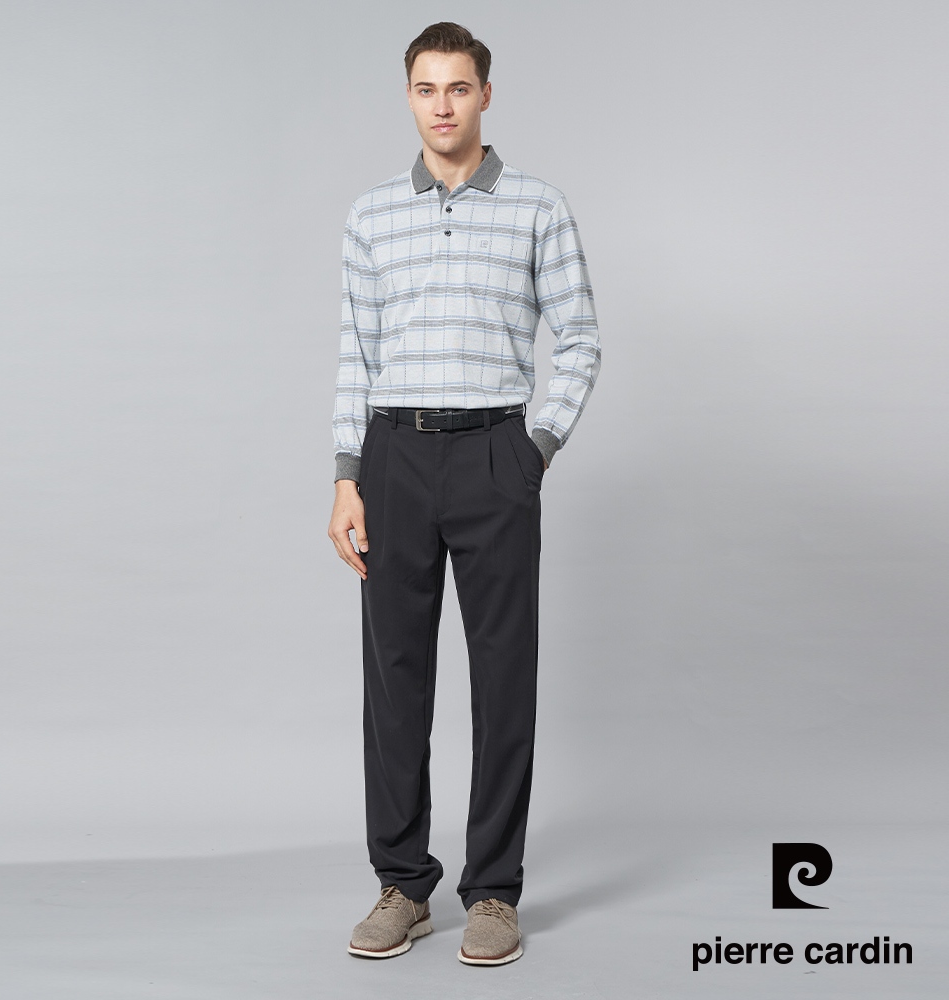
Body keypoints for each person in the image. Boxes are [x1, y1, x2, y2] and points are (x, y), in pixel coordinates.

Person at [328, 21, 601, 966]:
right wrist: (347, 477)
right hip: (393, 457)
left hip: (494, 454)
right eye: (425, 88)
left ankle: (493, 892)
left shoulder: (537, 206)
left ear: (485, 94)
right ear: (408, 96)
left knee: (503, 679)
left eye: (457, 87)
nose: (441, 105)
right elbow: (355, 355)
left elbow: (580, 338)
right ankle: (402, 883)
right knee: (395, 681)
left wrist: (534, 449)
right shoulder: (371, 215)